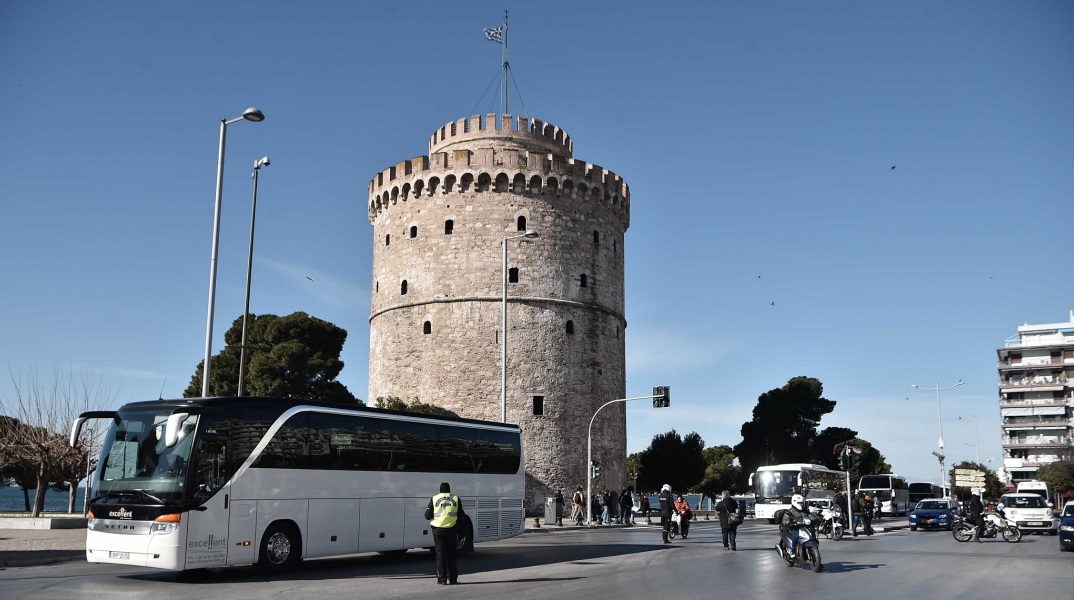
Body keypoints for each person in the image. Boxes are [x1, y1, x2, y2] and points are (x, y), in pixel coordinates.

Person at [424, 482, 465, 585]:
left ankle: (442, 579)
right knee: (451, 555)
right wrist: (460, 530)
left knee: (441, 554)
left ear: (440, 490)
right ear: (449, 489)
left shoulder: (434, 498)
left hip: (438, 531)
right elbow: (461, 516)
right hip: (451, 530)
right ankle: (453, 579)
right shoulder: (456, 498)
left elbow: (427, 515)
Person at [779, 493, 807, 558]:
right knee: (796, 536)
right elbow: (785, 520)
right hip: (794, 528)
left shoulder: (805, 510)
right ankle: (792, 550)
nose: (801, 504)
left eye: (802, 503)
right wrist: (790, 522)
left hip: (804, 527)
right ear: (795, 502)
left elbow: (810, 516)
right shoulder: (789, 512)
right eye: (800, 503)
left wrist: (816, 517)